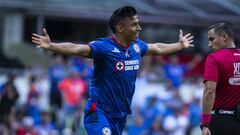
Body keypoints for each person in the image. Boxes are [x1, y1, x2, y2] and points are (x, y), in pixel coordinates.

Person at [32, 6, 194, 135]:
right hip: (99, 112)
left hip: (120, 115)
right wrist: (51, 46)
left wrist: (179, 45)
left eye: (138, 23)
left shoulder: (137, 47)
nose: (139, 28)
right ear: (120, 28)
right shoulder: (104, 47)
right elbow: (76, 48)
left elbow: (158, 47)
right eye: (134, 24)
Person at [201, 22, 240, 135]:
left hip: (221, 121)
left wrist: (205, 124)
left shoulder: (214, 58)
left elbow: (209, 91)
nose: (209, 44)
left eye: (211, 39)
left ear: (224, 37)